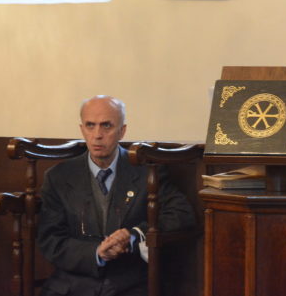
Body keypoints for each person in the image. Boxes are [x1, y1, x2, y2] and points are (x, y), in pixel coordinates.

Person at [37, 95, 196, 296]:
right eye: (90, 125)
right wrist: (96, 253)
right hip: (73, 283)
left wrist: (134, 235)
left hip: (129, 283)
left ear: (122, 131)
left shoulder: (147, 172)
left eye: (107, 126)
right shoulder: (58, 177)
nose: (97, 135)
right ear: (82, 129)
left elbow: (182, 214)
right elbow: (51, 240)